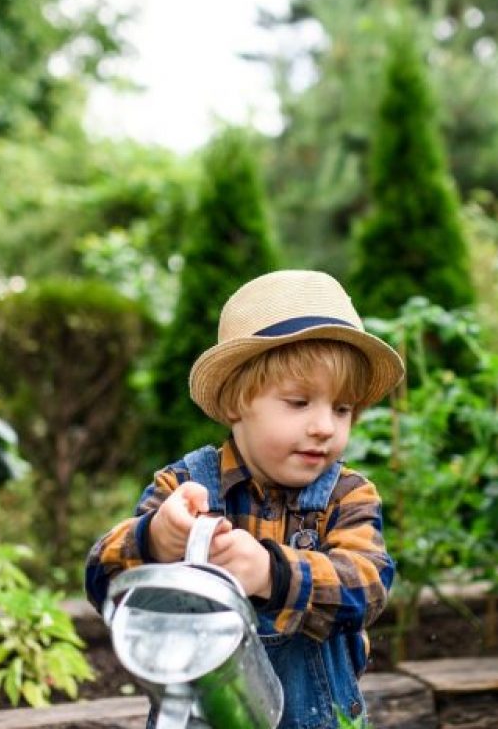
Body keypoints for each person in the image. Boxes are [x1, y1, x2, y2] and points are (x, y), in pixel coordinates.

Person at [85, 270, 403, 728]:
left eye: (342, 408)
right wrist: (158, 540)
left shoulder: (346, 496)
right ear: (236, 403)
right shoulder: (186, 489)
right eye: (299, 402)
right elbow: (106, 584)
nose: (325, 427)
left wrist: (272, 573)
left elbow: (367, 588)